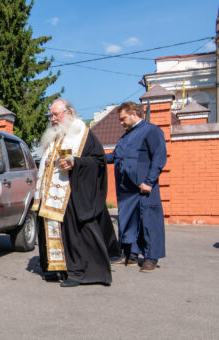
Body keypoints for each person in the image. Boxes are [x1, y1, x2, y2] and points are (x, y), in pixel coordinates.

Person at [32, 98, 119, 287]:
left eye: (56, 114)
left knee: (74, 234)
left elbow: (98, 161)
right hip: (50, 196)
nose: (53, 118)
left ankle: (78, 272)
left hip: (72, 194)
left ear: (69, 113)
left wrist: (76, 163)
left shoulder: (82, 133)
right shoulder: (54, 136)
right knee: (51, 232)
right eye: (51, 115)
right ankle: (57, 269)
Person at [106, 101, 167, 272]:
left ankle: (151, 258)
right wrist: (95, 156)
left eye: (123, 119)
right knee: (127, 222)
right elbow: (115, 156)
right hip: (127, 189)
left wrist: (149, 181)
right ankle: (130, 255)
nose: (121, 123)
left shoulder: (151, 130)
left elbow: (159, 157)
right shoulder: (125, 137)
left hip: (144, 187)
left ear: (134, 114)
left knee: (149, 222)